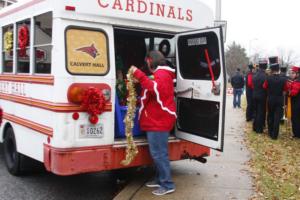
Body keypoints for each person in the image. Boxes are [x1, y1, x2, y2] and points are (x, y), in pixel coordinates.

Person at [130, 51, 176, 196]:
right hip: (156, 119)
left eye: (147, 62)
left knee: (160, 154)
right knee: (157, 153)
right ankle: (160, 178)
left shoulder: (162, 74)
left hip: (159, 120)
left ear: (151, 61)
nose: (146, 65)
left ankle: (167, 184)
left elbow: (155, 88)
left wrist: (138, 73)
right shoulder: (161, 74)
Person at [263, 63, 288, 139]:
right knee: (277, 117)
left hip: (270, 99)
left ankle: (270, 132)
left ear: (272, 70)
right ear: (278, 70)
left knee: (270, 116)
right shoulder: (283, 79)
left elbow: (264, 86)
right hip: (279, 99)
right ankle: (275, 135)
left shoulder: (268, 78)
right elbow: (285, 89)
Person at [252, 59, 268, 133]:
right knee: (261, 112)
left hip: (254, 94)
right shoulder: (265, 76)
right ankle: (259, 129)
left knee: (255, 111)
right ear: (265, 66)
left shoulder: (255, 75)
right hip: (262, 95)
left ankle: (254, 127)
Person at [288, 66, 300, 138]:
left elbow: (293, 93)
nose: (291, 74)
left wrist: (288, 91)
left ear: (297, 74)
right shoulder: (296, 81)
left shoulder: (297, 82)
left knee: (295, 118)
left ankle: (297, 134)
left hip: (296, 103)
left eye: (293, 73)